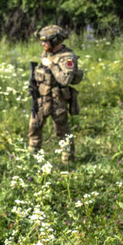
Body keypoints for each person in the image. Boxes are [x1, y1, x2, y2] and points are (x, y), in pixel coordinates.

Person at [28, 25, 83, 164]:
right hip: (41, 98)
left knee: (62, 132)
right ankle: (31, 160)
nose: (43, 44)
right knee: (34, 128)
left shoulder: (67, 57)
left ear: (55, 41)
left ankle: (68, 162)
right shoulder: (47, 53)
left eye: (46, 41)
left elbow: (65, 80)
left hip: (57, 99)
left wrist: (51, 65)